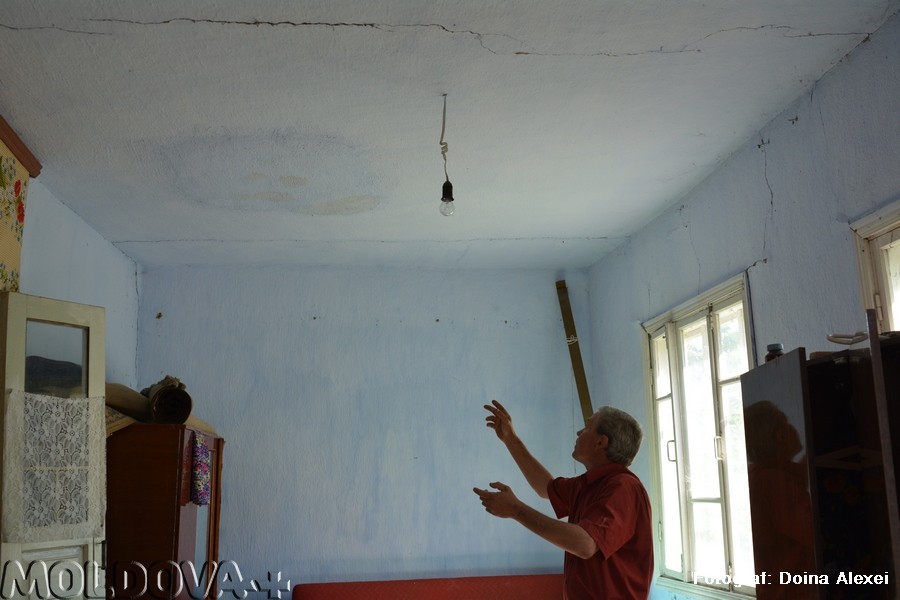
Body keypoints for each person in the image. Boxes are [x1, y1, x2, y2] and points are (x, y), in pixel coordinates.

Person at [473, 400, 653, 599]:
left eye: (587, 427)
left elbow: (586, 544)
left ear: (601, 442)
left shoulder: (624, 488)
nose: (578, 432)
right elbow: (545, 487)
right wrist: (510, 438)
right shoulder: (588, 484)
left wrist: (517, 511)